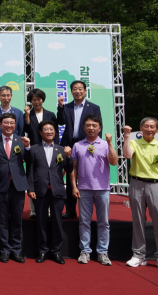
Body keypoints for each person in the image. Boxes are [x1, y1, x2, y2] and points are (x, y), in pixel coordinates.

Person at [123, 119, 158, 271]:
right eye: (146, 126)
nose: (149, 129)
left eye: (152, 127)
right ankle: (139, 255)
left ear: (157, 130)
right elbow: (126, 155)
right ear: (141, 128)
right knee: (138, 220)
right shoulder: (134, 143)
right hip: (137, 183)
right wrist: (126, 135)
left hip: (157, 185)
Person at [70, 115, 118, 266]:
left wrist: (110, 143)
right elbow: (73, 168)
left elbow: (114, 161)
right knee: (84, 222)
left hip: (102, 189)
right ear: (84, 128)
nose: (91, 128)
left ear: (100, 128)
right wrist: (73, 186)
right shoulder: (78, 145)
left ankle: (102, 252)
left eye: (94, 125)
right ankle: (85, 251)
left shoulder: (105, 144)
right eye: (88, 125)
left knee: (103, 222)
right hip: (84, 189)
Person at [28, 120, 73, 265]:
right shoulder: (34, 149)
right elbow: (29, 170)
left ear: (55, 132)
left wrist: (68, 156)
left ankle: (56, 251)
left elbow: (70, 169)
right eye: (45, 129)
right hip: (40, 191)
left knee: (57, 222)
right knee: (40, 222)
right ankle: (42, 251)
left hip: (57, 191)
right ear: (40, 132)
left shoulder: (62, 149)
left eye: (51, 129)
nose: (49, 132)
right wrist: (30, 188)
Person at [57, 80, 102, 219]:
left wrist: (94, 145)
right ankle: (70, 210)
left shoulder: (94, 107)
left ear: (85, 90)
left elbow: (98, 128)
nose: (77, 91)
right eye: (74, 89)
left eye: (80, 89)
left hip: (86, 144)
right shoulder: (67, 106)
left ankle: (88, 211)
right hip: (68, 145)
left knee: (87, 175)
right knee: (71, 176)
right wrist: (60, 107)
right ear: (71, 91)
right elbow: (60, 122)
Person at [0, 113, 30, 263]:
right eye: (6, 123)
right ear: (0, 125)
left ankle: (16, 250)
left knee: (17, 219)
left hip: (18, 186)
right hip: (1, 186)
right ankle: (4, 250)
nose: (9, 125)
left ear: (15, 125)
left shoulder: (21, 141)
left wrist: (27, 148)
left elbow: (30, 160)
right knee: (2, 220)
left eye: (12, 123)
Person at [23, 88, 58, 218]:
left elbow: (55, 133)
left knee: (48, 177)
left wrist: (57, 148)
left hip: (49, 149)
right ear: (31, 101)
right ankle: (33, 209)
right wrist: (27, 115)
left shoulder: (50, 114)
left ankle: (48, 209)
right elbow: (25, 129)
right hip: (34, 149)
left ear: (42, 100)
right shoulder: (28, 114)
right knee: (32, 177)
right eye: (34, 100)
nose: (36, 102)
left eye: (39, 99)